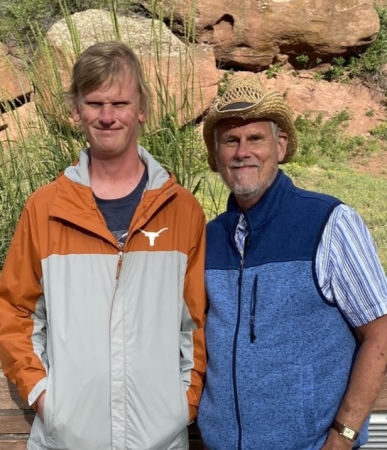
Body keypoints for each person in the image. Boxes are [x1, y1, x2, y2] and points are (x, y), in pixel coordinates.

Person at [0, 41, 206, 450]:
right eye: (95, 103)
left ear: (142, 109)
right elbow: (14, 310)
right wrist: (45, 398)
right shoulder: (45, 209)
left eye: (120, 102)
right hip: (67, 438)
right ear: (76, 110)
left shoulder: (182, 210)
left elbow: (197, 323)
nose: (108, 116)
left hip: (160, 439)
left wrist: (182, 404)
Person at [197, 73, 387, 450]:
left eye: (255, 138)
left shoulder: (329, 222)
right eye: (230, 141)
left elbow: (380, 333)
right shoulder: (209, 238)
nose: (242, 152)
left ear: (280, 146)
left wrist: (342, 437)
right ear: (216, 155)